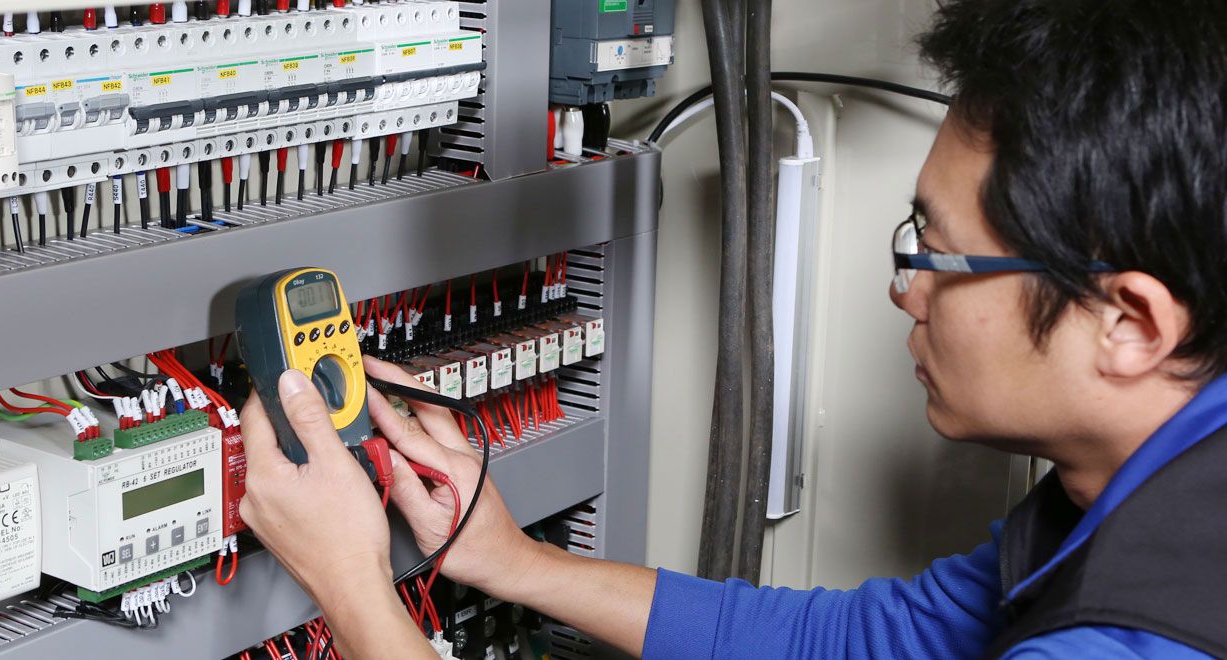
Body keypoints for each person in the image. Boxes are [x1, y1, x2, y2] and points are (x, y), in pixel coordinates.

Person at [237, 0, 1227, 657]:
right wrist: (509, 560)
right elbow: (849, 647)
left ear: (1129, 322)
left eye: (937, 252)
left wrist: (352, 586)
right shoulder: (1140, 491)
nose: (906, 289)